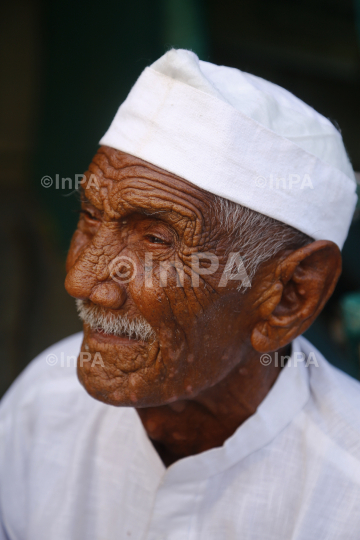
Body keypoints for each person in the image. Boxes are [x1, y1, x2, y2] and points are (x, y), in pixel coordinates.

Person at [0, 49, 359, 540]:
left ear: (289, 297)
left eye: (155, 240)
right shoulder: (43, 403)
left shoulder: (347, 494)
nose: (82, 281)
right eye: (89, 216)